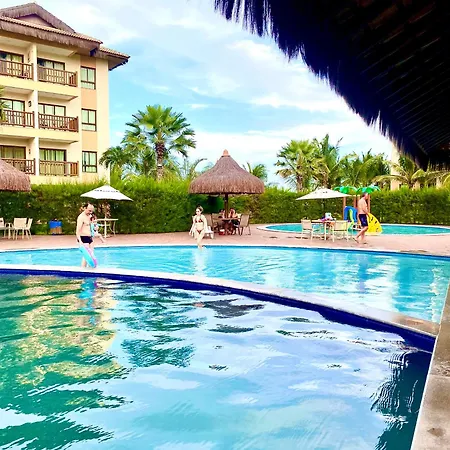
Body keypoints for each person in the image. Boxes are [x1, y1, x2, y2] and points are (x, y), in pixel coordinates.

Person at [76, 203, 95, 267]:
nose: (90, 212)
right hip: (83, 238)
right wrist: (80, 241)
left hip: (89, 237)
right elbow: (78, 231)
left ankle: (90, 269)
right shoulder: (81, 217)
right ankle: (83, 269)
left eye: (91, 211)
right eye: (89, 210)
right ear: (84, 208)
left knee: (91, 255)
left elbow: (90, 227)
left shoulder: (89, 216)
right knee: (86, 255)